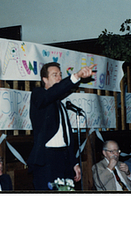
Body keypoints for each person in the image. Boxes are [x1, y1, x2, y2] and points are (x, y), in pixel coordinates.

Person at [27, 62, 96, 190]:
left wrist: (74, 163)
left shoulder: (60, 105)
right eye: (54, 75)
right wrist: (76, 76)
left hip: (63, 158)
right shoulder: (39, 94)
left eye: (60, 75)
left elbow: (67, 138)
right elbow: (51, 94)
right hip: (47, 159)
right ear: (45, 79)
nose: (59, 78)